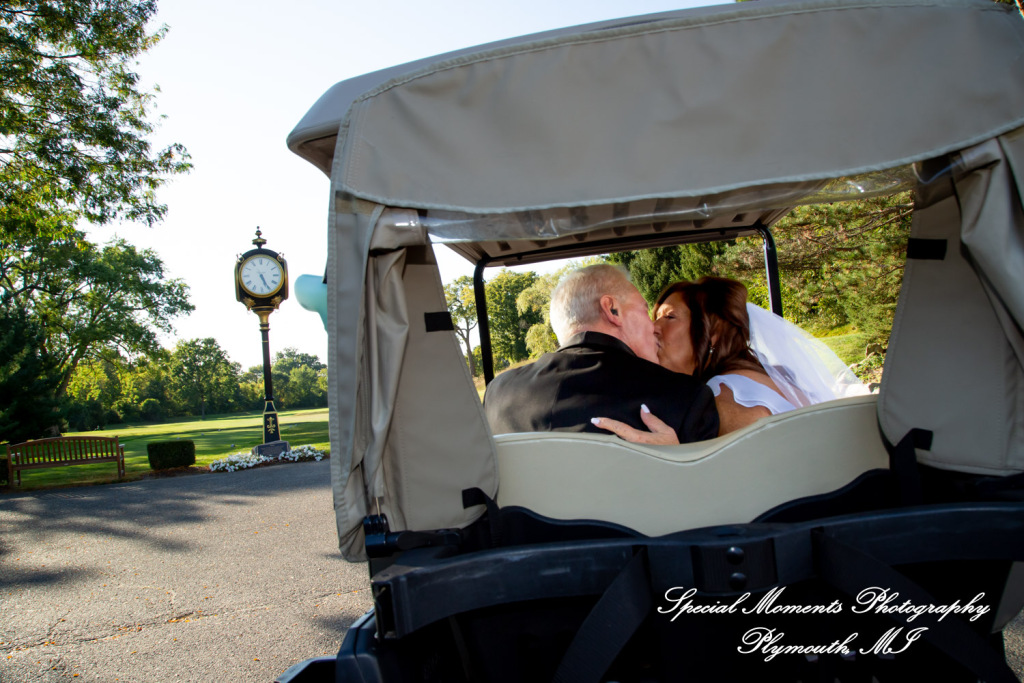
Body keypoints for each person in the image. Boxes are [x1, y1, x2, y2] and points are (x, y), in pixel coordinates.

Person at [594, 276, 867, 442]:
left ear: (712, 334)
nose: (653, 327)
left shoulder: (726, 397)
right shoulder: (762, 376)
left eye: (669, 316)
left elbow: (742, 493)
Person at [483, 264, 719, 442]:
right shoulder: (685, 398)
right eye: (644, 310)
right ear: (612, 309)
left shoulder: (497, 394)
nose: (653, 326)